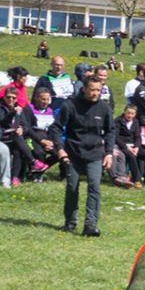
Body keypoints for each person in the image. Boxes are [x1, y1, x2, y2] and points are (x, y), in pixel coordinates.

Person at [58, 75, 113, 236]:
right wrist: (60, 149)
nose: (96, 93)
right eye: (92, 90)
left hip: (95, 153)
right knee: (72, 187)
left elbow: (110, 132)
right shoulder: (70, 105)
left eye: (99, 90)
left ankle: (90, 225)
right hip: (73, 153)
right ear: (84, 89)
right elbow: (56, 128)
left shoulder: (104, 108)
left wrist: (109, 153)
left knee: (94, 186)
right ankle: (70, 222)